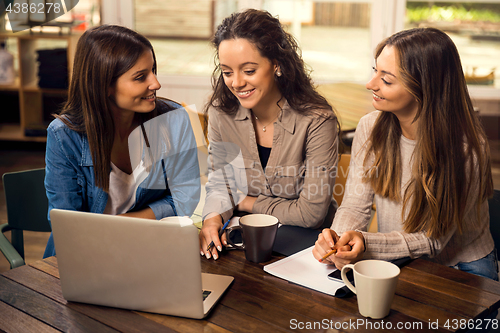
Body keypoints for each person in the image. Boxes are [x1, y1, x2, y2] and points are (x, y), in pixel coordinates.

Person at [313, 27, 498, 281]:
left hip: (461, 267)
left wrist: (366, 244)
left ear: (425, 88)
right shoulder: (370, 127)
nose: (371, 85)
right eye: (375, 71)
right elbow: (356, 205)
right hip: (398, 258)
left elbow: (432, 241)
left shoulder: (465, 148)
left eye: (387, 80)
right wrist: (338, 242)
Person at [43, 25, 200, 258]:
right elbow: (66, 223)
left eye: (153, 71)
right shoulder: (62, 135)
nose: (155, 83)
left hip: (152, 249)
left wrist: (123, 223)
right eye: (140, 77)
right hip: (85, 254)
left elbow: (187, 198)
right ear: (104, 85)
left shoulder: (175, 119)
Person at [199, 9, 341, 260]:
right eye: (227, 72)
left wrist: (243, 202)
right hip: (243, 240)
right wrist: (212, 218)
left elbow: (311, 214)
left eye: (249, 71)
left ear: (276, 64)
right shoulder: (221, 113)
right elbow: (222, 184)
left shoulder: (318, 120)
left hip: (308, 248)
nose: (237, 83)